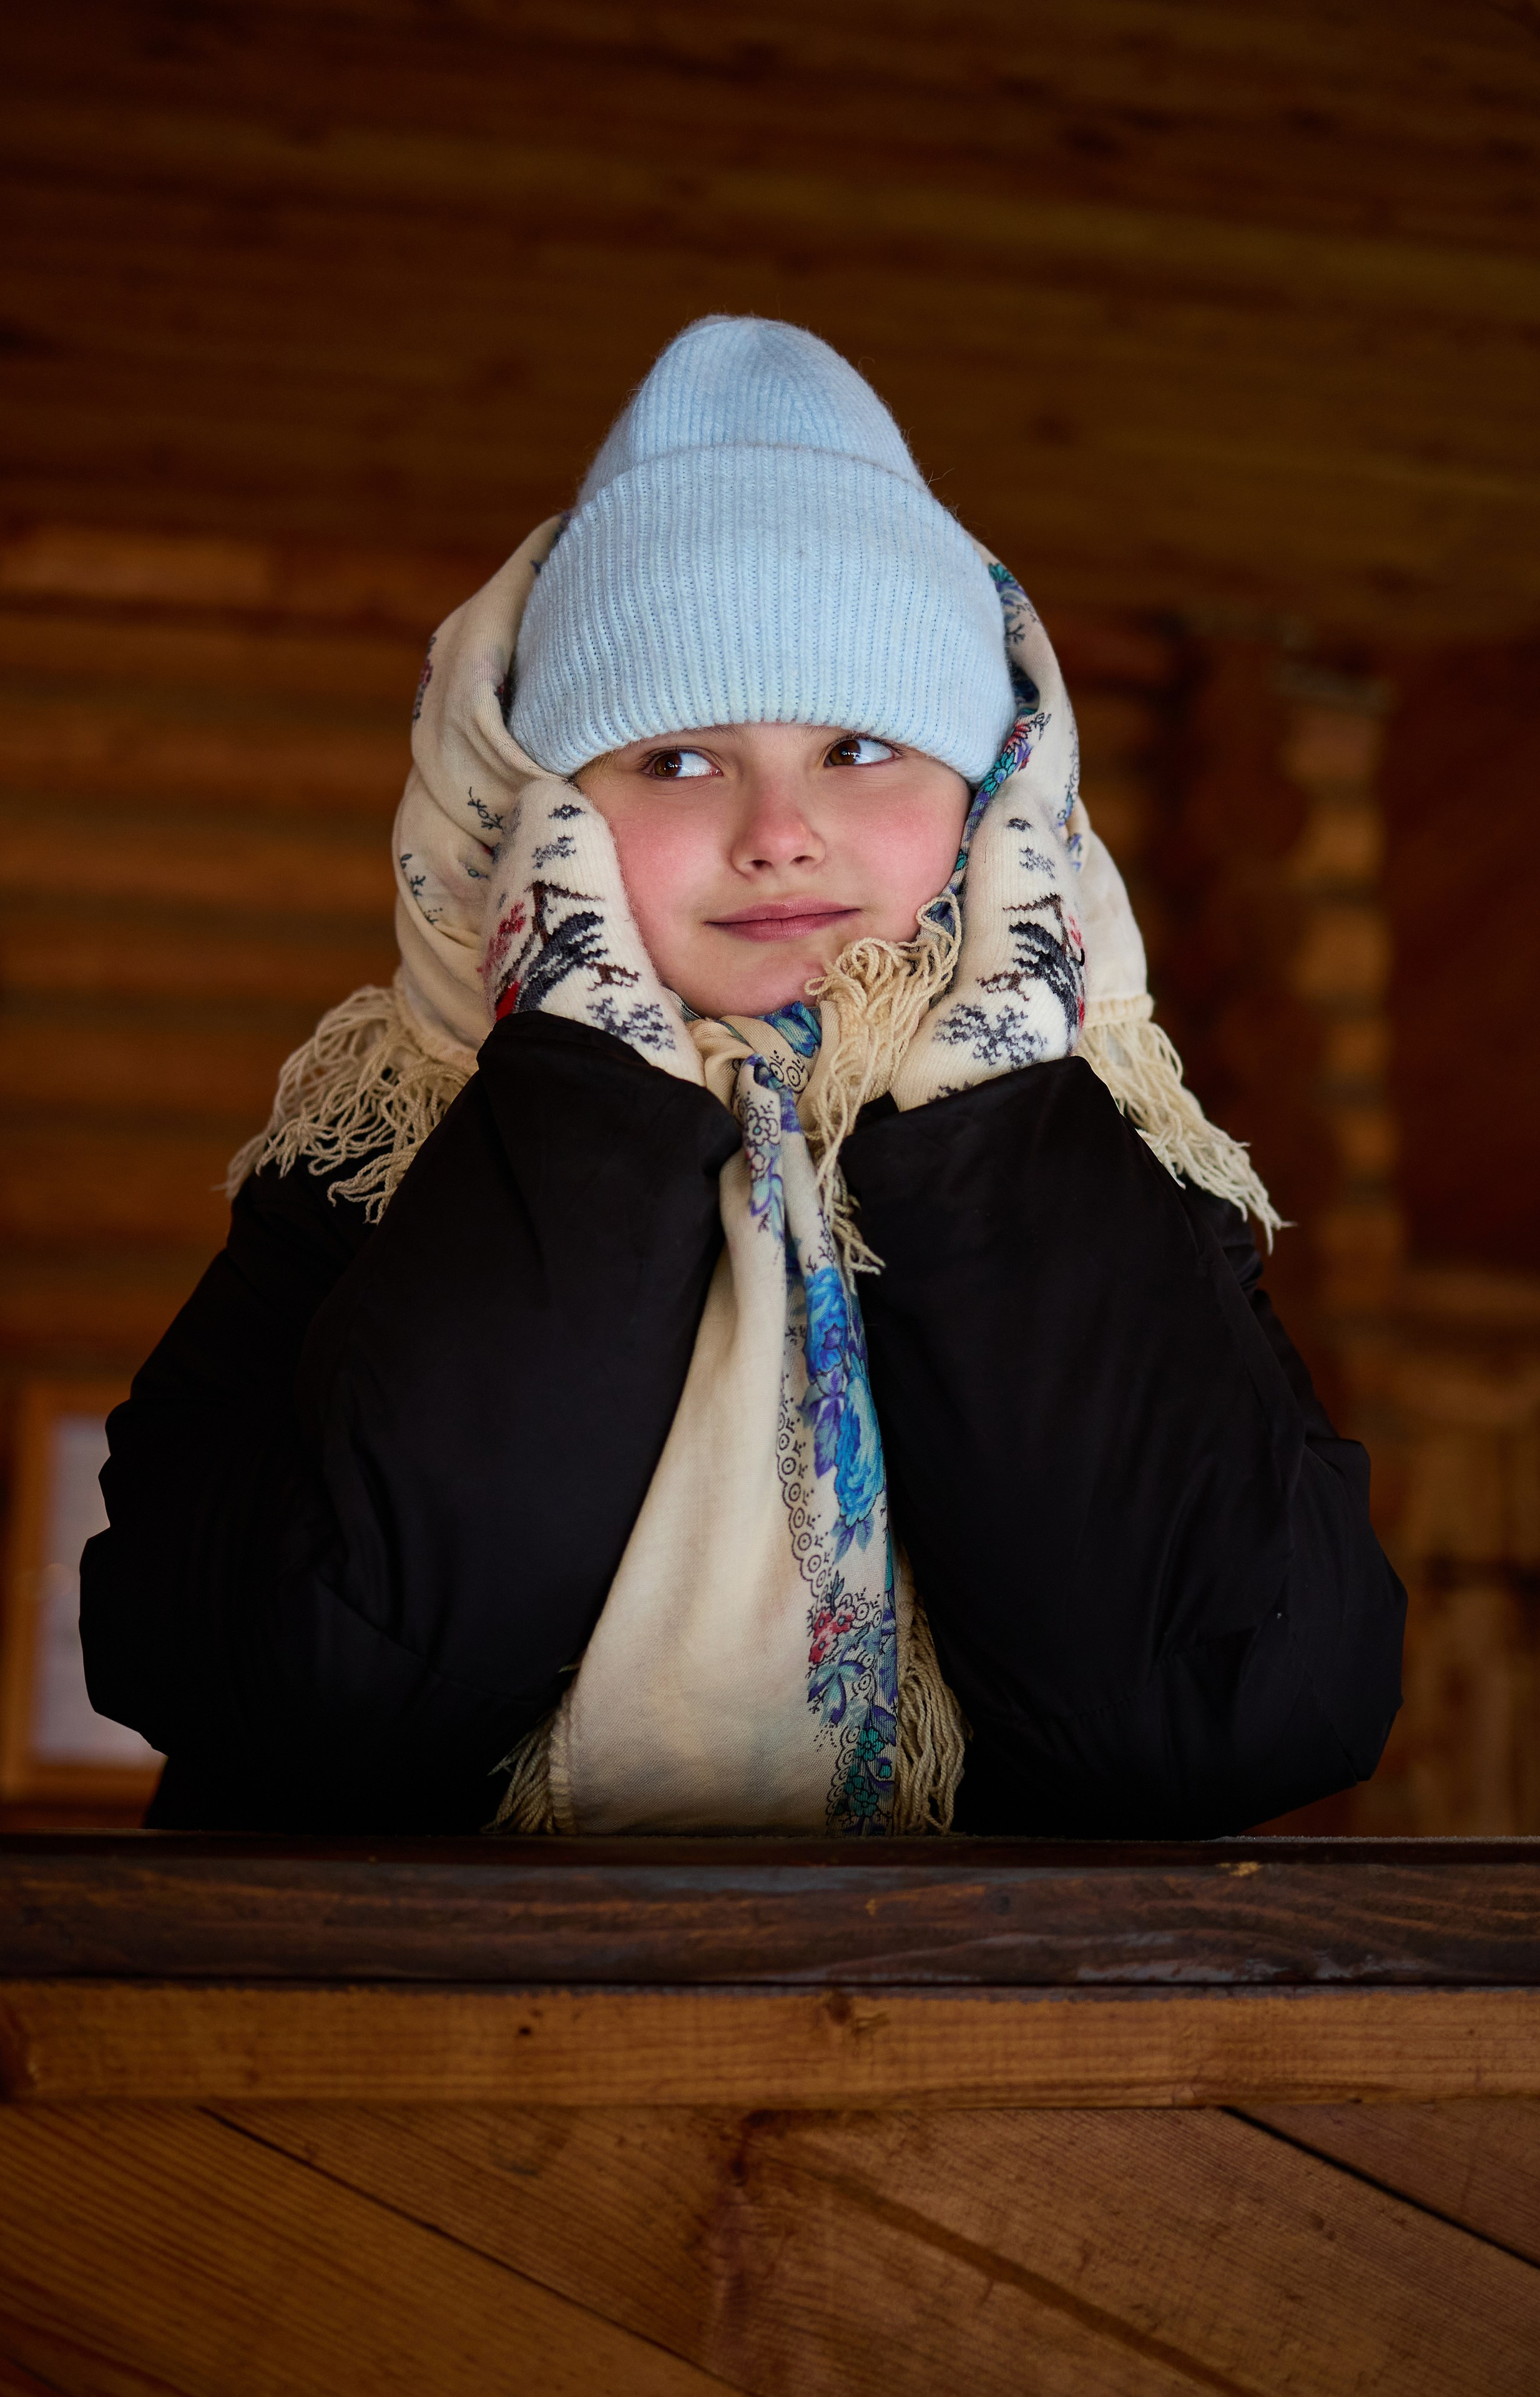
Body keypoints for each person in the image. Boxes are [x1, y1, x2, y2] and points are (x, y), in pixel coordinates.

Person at [81, 315, 1406, 1836]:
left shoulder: (1119, 1173)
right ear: (531, 812)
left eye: (860, 748)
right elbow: (313, 1693)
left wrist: (990, 1125)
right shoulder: (376, 1164)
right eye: (676, 760)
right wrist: (579, 1097)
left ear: (993, 811)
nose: (778, 830)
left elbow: (1221, 1718)